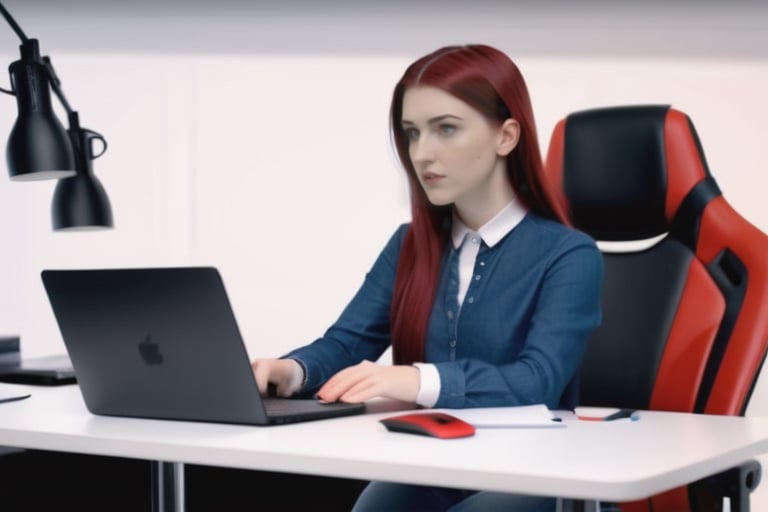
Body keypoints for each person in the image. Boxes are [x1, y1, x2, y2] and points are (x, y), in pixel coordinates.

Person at [251, 44, 603, 511]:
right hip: (433, 462)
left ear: (506, 136)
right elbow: (347, 344)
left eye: (446, 129)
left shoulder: (569, 254)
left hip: (535, 472)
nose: (421, 153)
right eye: (412, 133)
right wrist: (289, 372)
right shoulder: (410, 245)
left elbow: (537, 381)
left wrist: (414, 380)